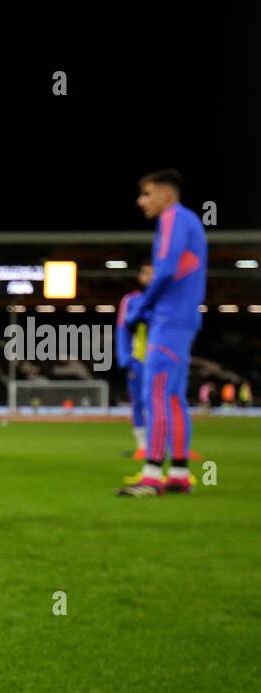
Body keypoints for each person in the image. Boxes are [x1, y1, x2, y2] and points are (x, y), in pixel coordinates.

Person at [118, 170, 207, 497]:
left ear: (166, 194)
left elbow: (166, 268)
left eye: (147, 193)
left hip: (168, 320)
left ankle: (152, 474)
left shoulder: (172, 219)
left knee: (155, 396)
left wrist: (144, 308)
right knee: (173, 398)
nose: (141, 201)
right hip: (185, 320)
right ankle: (180, 473)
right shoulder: (192, 221)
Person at [116, 262, 154, 462]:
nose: (149, 276)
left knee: (160, 403)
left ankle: (161, 446)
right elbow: (122, 328)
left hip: (162, 360)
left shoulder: (165, 300)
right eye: (146, 272)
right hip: (139, 360)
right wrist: (126, 359)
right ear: (140, 276)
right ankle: (142, 447)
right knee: (138, 402)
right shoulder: (130, 300)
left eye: (153, 273)